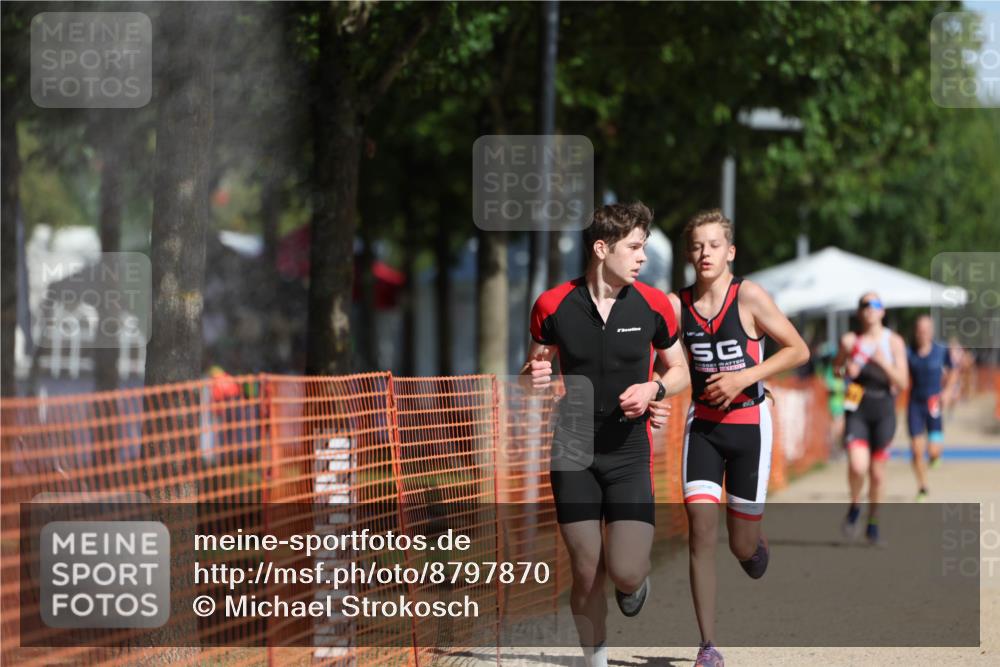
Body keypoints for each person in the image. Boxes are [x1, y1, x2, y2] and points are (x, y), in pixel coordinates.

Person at [521, 202, 689, 667]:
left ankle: (634, 582)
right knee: (586, 570)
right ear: (601, 248)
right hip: (572, 448)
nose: (642, 257)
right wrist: (532, 377)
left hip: (629, 450)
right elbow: (533, 370)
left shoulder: (654, 304)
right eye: (634, 247)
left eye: (644, 247)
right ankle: (595, 660)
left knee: (626, 572)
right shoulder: (552, 305)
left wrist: (654, 387)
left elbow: (679, 370)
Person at [649, 209, 809, 667]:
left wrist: (745, 377)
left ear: (730, 252)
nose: (705, 253)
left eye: (714, 245)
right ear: (688, 254)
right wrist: (654, 392)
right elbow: (664, 364)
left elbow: (798, 349)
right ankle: (707, 645)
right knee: (700, 532)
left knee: (741, 545)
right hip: (702, 427)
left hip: (749, 426)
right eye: (697, 246)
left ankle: (753, 546)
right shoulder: (675, 306)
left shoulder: (749, 296)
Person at [833, 292, 909, 545]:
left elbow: (903, 382)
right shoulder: (849, 341)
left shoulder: (893, 341)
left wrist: (883, 363)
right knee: (857, 466)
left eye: (875, 304)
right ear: (859, 312)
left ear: (882, 311)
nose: (870, 308)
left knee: (877, 474)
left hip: (883, 408)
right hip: (857, 405)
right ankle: (856, 505)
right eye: (865, 305)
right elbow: (836, 369)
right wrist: (846, 370)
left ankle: (873, 522)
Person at [906, 314, 957, 500]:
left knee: (933, 451)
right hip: (915, 404)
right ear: (915, 331)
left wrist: (948, 391)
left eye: (926, 330)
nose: (923, 334)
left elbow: (953, 371)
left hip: (934, 404)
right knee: (916, 450)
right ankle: (922, 487)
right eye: (920, 330)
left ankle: (935, 457)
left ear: (932, 331)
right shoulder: (908, 352)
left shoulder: (941, 351)